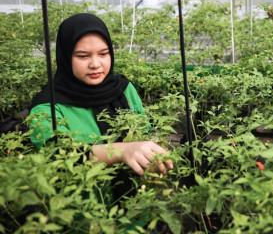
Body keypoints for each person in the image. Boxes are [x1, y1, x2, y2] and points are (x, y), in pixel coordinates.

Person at [29, 13, 173, 179]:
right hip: (82, 200)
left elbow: (145, 129)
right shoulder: (47, 105)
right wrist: (121, 151)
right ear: (65, 58)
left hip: (136, 196)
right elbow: (55, 154)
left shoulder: (124, 89)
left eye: (103, 54)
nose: (95, 64)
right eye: (83, 56)